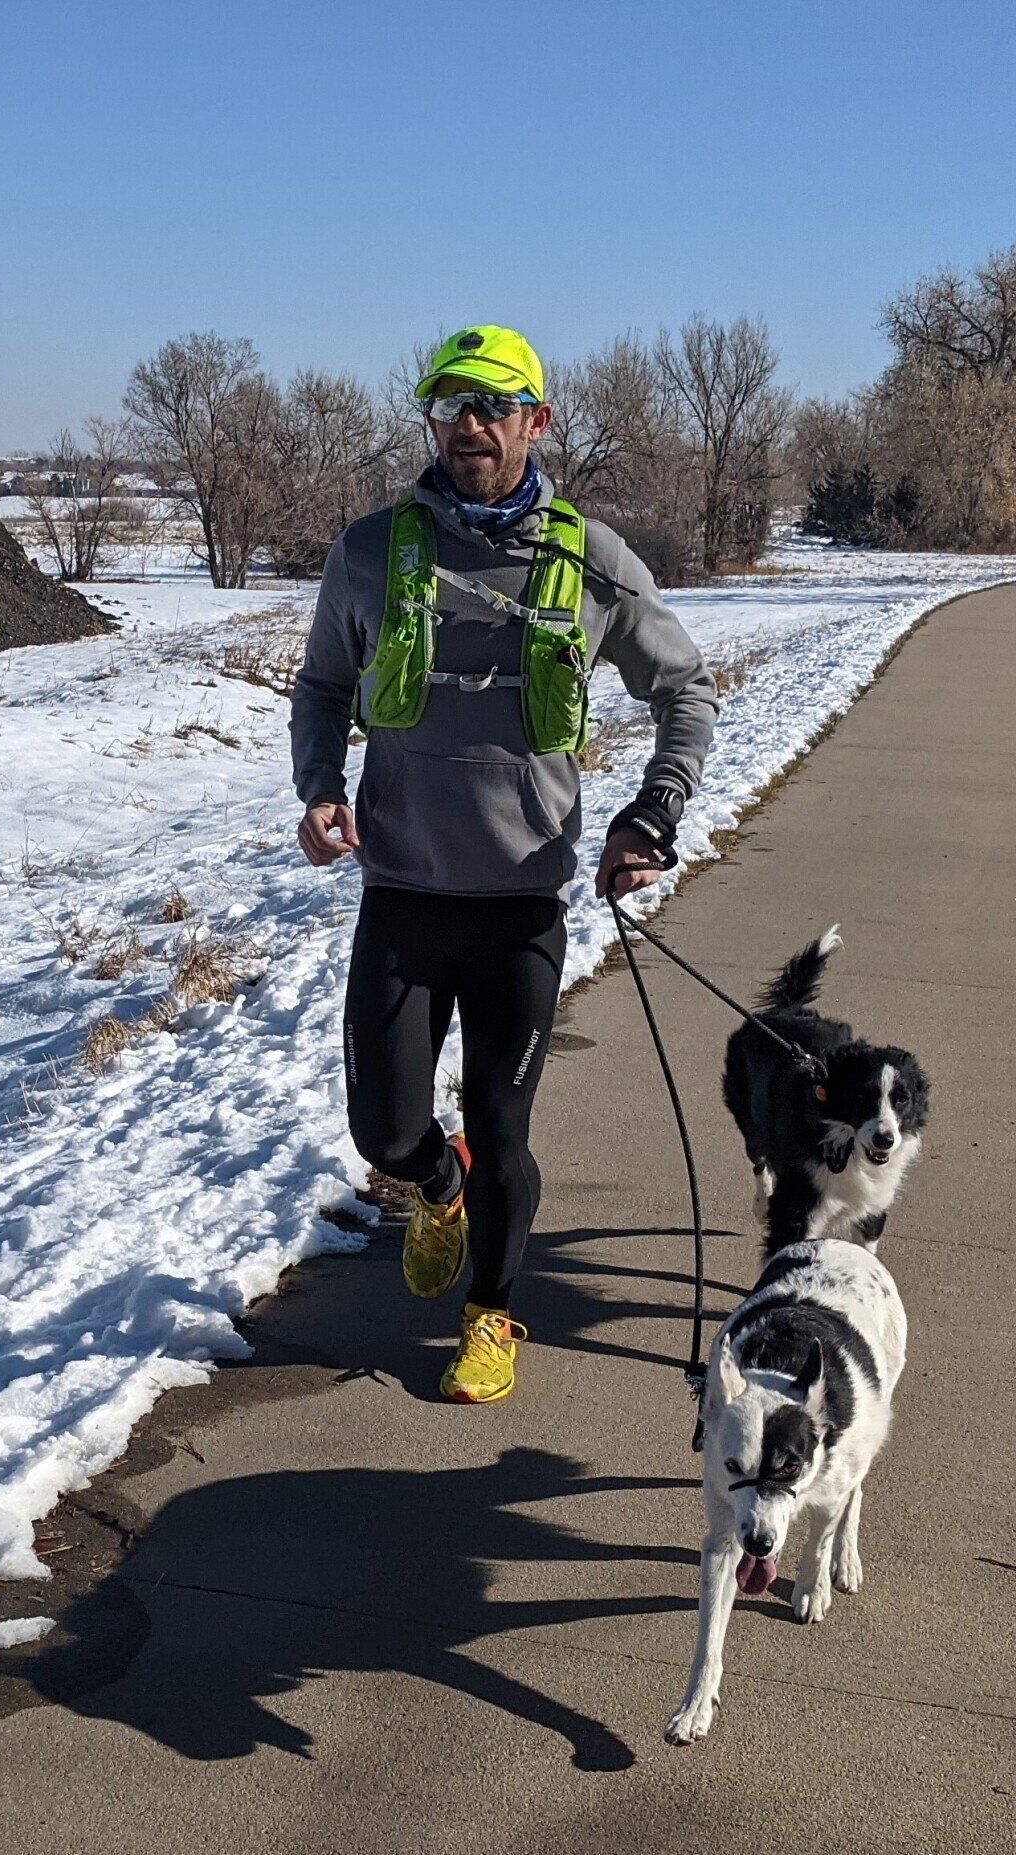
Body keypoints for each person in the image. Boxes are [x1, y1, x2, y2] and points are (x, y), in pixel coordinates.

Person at [290, 325, 718, 1405]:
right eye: (451, 405)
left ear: (538, 420)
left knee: (501, 1118)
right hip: (402, 888)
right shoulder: (372, 551)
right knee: (384, 1125)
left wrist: (652, 814)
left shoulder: (590, 561)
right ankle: (438, 1189)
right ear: (431, 418)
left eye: (495, 406)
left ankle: (493, 1314)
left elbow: (685, 691)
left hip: (522, 900)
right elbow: (323, 685)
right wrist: (319, 787)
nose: (470, 425)